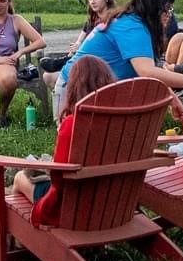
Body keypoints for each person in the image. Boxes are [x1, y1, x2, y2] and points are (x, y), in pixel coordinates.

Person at [14, 54, 114, 223]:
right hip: (112, 205)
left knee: (19, 178)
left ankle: (16, 235)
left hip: (67, 210)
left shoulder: (72, 124)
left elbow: (58, 179)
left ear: (74, 87)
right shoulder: (121, 124)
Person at [69, 0, 183, 100]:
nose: (169, 14)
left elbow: (147, 72)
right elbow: (146, 71)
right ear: (153, 9)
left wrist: (170, 96)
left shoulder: (132, 22)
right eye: (166, 9)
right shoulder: (132, 28)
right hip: (77, 89)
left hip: (91, 87)